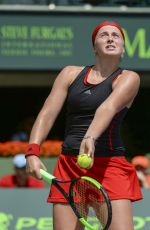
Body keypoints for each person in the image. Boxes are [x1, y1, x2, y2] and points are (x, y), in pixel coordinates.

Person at [25, 21, 142, 230]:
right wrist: (32, 151)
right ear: (94, 47)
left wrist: (90, 137)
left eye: (116, 36)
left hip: (110, 166)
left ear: (123, 48)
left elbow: (108, 107)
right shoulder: (69, 74)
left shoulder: (129, 78)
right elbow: (48, 113)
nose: (110, 38)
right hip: (70, 167)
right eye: (103, 35)